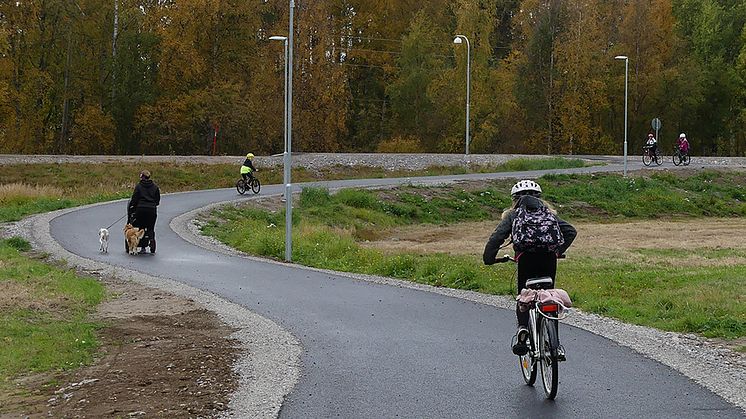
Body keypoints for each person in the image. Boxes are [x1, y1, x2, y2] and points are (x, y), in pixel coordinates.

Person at [483, 180, 576, 356]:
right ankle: (555, 347)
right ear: (540, 198)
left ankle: (523, 330)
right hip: (548, 261)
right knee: (550, 297)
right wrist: (557, 252)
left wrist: (488, 259)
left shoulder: (513, 215)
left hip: (526, 261)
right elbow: (571, 231)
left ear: (515, 199)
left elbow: (496, 238)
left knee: (524, 296)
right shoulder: (549, 215)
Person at [127, 170, 161, 253]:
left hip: (140, 209)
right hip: (152, 210)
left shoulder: (139, 186)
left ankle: (143, 247)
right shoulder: (155, 187)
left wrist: (132, 207)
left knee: (141, 228)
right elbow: (157, 200)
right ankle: (152, 241)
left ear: (142, 177)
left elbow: (134, 199)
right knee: (150, 228)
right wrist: (153, 205)